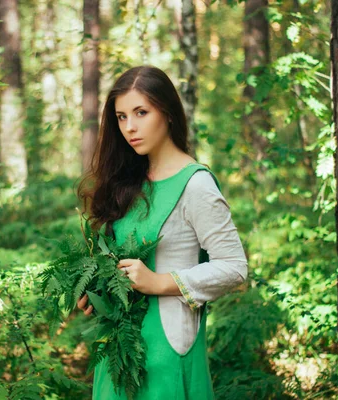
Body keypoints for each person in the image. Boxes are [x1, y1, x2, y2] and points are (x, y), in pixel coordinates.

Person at [76, 65, 248, 400]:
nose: (130, 127)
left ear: (167, 113)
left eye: (141, 112)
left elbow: (234, 266)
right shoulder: (128, 182)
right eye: (121, 117)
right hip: (119, 352)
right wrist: (97, 292)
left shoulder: (196, 184)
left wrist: (159, 282)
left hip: (167, 349)